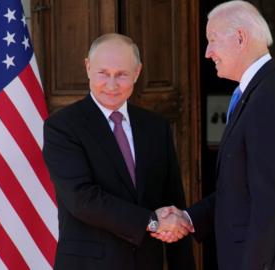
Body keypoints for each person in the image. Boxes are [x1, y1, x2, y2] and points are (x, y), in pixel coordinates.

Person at [154, 1, 275, 270]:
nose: (208, 52)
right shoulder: (258, 92)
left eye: (212, 40)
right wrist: (189, 218)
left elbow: (268, 201)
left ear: (241, 37)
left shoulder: (268, 98)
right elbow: (239, 189)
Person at [43, 33, 195, 270]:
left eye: (122, 74)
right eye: (103, 73)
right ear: (87, 67)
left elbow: (173, 199)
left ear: (137, 73)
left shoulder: (156, 126)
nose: (112, 85)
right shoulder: (62, 127)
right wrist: (151, 222)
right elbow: (82, 199)